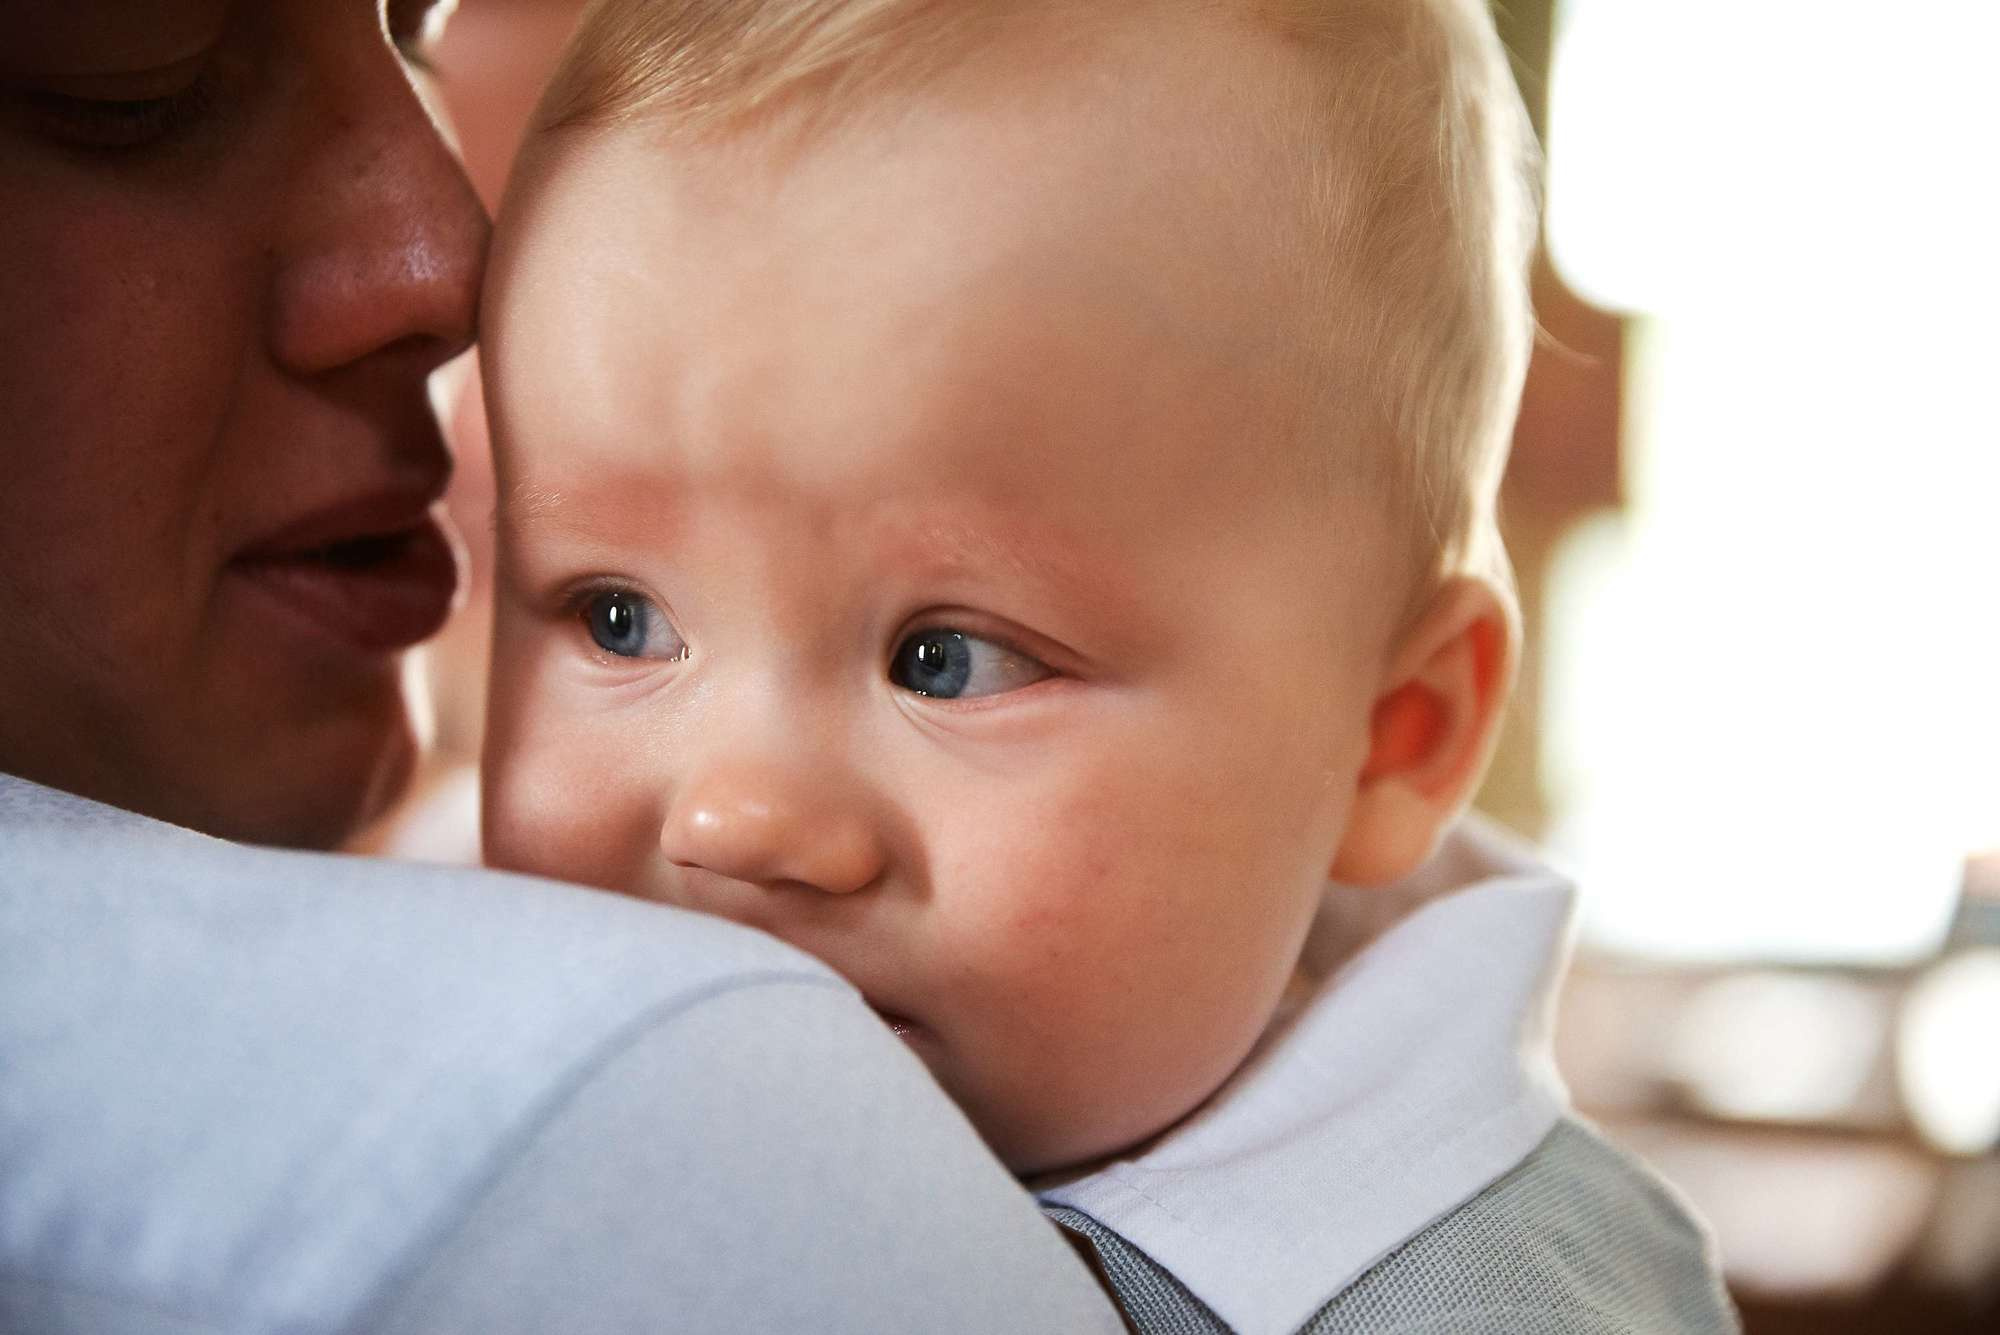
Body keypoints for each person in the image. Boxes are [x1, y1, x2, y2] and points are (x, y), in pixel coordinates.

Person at [477, 0, 1742, 1330]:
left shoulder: (1487, 1300)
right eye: (617, 618)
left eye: (948, 661)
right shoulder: (466, 1063)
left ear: (1394, 732)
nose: (733, 817)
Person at [0, 2, 1123, 1330]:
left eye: (417, 25)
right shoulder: (633, 1124)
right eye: (141, 79)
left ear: (1399, 733)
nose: (456, 259)